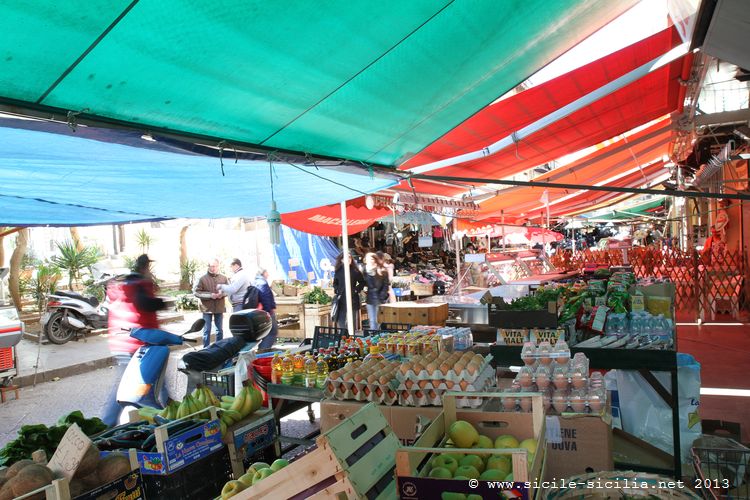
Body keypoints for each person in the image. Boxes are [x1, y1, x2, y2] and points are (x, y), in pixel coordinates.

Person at [102, 254, 166, 427]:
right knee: (133, 389)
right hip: (137, 345)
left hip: (124, 342)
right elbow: (144, 304)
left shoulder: (122, 285)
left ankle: (169, 410)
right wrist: (161, 303)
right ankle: (107, 423)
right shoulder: (138, 286)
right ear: (145, 268)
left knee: (156, 380)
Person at [194, 258, 229, 348]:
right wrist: (210, 295)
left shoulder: (224, 278)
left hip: (219, 307)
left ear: (218, 266)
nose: (213, 268)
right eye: (212, 266)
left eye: (215, 266)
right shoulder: (202, 278)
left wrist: (222, 294)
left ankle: (219, 349)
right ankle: (206, 349)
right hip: (207, 308)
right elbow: (196, 292)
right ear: (208, 266)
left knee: (219, 330)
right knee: (207, 330)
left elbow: (229, 290)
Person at [331, 252, 366, 330]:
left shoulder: (355, 271)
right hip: (341, 298)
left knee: (352, 318)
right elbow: (335, 283)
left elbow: (362, 282)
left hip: (352, 297)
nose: (348, 259)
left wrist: (356, 290)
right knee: (341, 318)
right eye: (346, 258)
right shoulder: (338, 271)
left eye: (350, 258)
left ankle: (351, 336)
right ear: (342, 260)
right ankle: (343, 335)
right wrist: (337, 290)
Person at [364, 252, 389, 330]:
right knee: (372, 320)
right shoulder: (365, 270)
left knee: (378, 319)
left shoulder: (381, 270)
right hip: (370, 298)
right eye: (369, 259)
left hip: (379, 298)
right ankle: (373, 336)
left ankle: (377, 335)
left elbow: (386, 285)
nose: (370, 261)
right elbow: (362, 282)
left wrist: (382, 296)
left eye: (372, 259)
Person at [255, 268, 278, 349]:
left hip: (259, 312)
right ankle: (263, 351)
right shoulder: (263, 283)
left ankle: (263, 350)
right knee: (272, 332)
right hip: (266, 313)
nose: (268, 274)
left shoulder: (256, 281)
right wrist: (269, 311)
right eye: (267, 272)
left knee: (266, 333)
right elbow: (266, 298)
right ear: (263, 273)